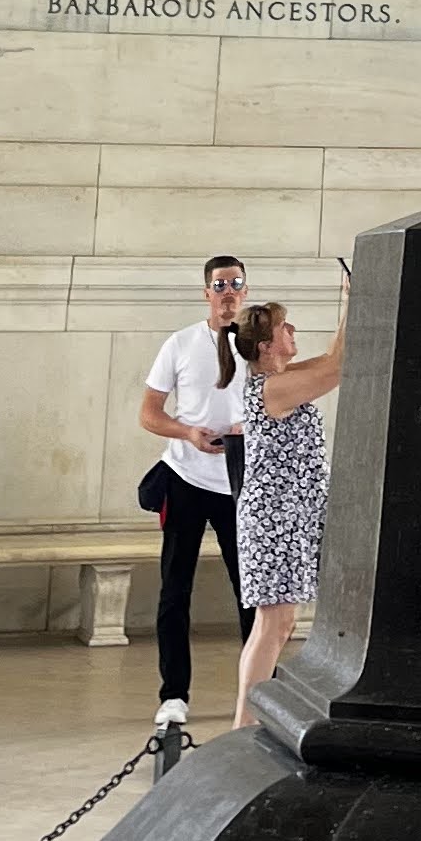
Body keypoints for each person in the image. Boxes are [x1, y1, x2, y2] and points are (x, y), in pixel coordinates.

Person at [140, 255, 252, 745]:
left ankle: (258, 690)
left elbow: (282, 405)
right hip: (186, 478)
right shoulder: (181, 343)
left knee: (251, 592)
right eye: (219, 284)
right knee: (174, 590)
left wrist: (240, 431)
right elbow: (149, 413)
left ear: (245, 291)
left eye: (236, 284)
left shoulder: (258, 347)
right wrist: (187, 432)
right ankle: (174, 695)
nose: (228, 291)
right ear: (206, 292)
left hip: (239, 480)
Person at [228, 298, 346, 734]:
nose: (292, 330)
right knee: (272, 624)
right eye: (284, 327)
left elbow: (337, 358)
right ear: (265, 346)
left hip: (290, 517)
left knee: (280, 623)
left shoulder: (281, 378)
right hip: (274, 517)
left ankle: (247, 721)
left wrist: (352, 301)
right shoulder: (270, 388)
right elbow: (337, 371)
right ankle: (244, 724)